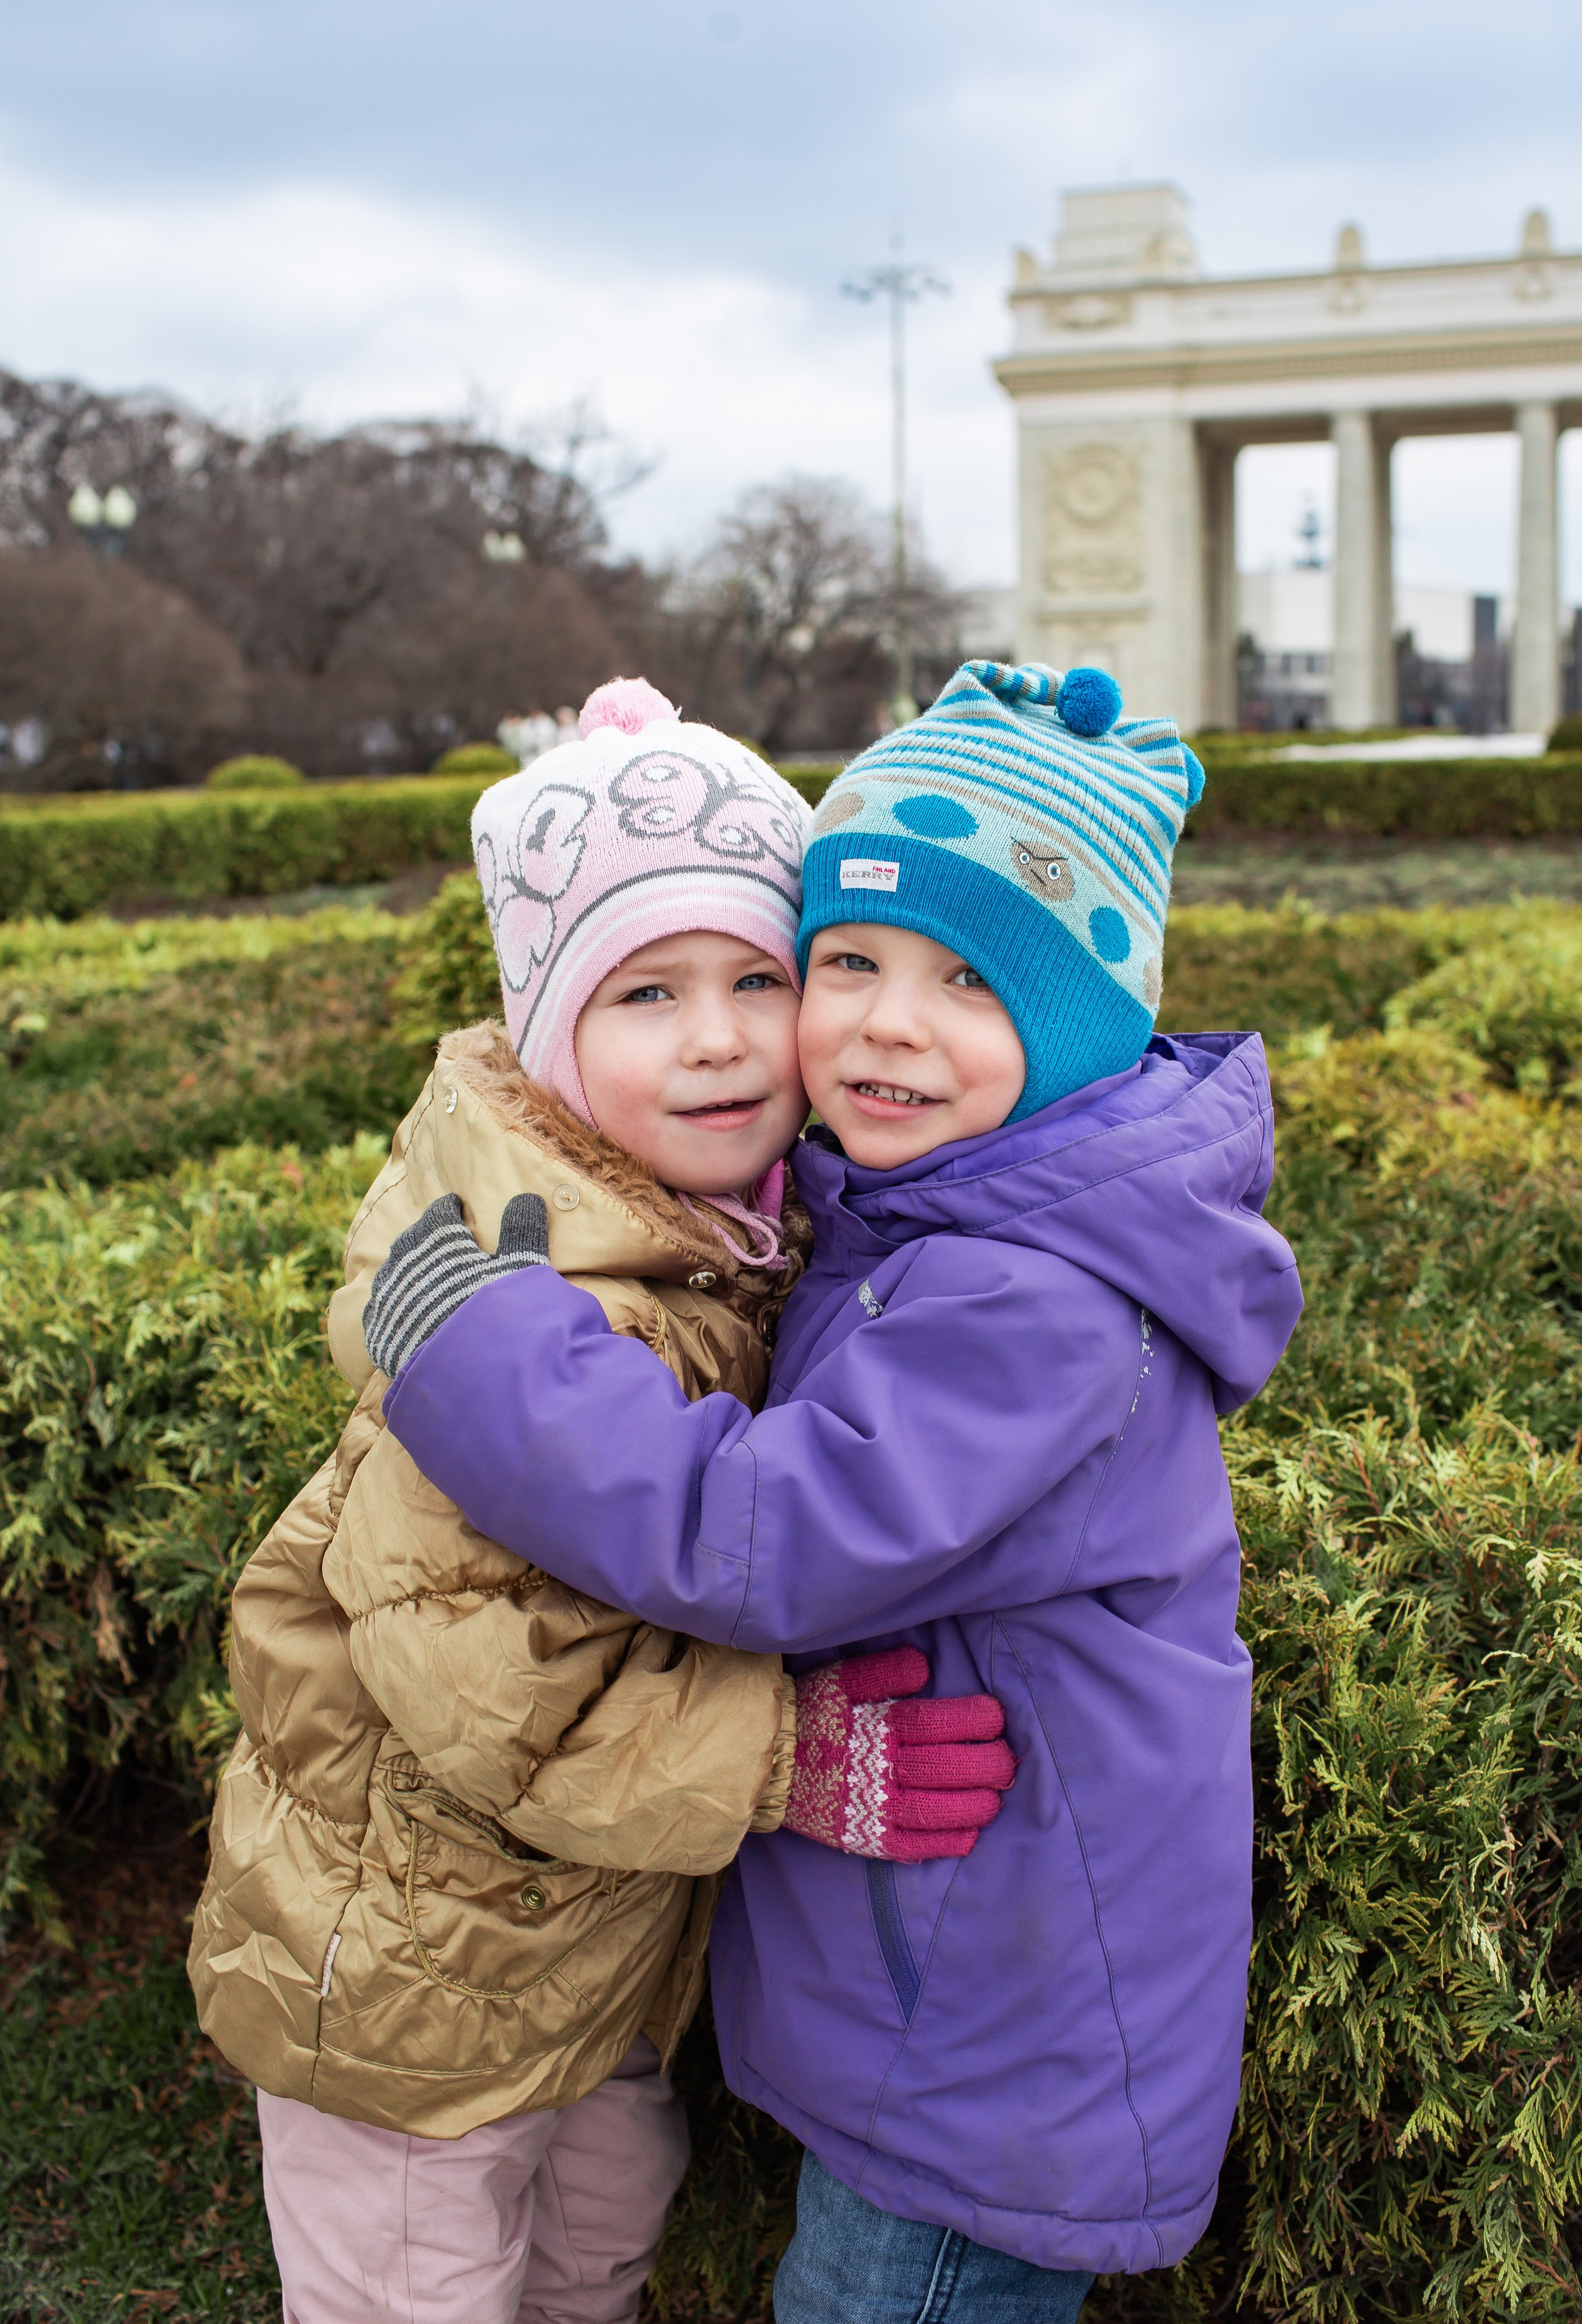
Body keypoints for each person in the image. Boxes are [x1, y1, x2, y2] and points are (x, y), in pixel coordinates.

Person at [364, 659, 1306, 2323]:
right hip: (946, 1994)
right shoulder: (944, 1218)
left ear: (1083, 1020)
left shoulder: (1034, 1303)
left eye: (966, 979)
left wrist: (491, 1361)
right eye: (849, 958)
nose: (884, 1018)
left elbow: (763, 1536)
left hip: (985, 2055)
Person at [189, 678, 1012, 2324]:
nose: (714, 1035)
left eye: (756, 980)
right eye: (645, 991)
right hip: (411, 1987)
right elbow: (496, 1688)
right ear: (549, 1034)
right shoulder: (519, 1314)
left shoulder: (714, 1227)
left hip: (577, 1952)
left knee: (598, 2238)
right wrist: (786, 1760)